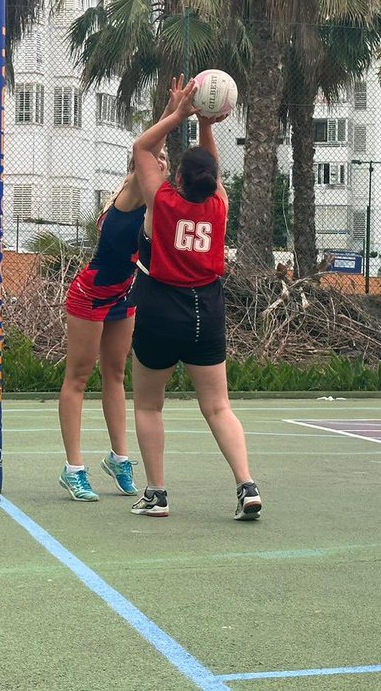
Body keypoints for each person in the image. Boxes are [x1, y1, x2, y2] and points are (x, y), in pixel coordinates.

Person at [128, 75, 261, 519]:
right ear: (211, 182)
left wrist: (179, 113)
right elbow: (211, 171)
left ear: (179, 177)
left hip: (162, 307)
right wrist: (206, 123)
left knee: (148, 403)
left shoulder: (162, 201)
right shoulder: (219, 204)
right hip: (208, 308)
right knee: (218, 406)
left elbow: (143, 150)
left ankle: (158, 493)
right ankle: (246, 485)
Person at [56, 99, 174, 501]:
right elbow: (145, 149)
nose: (163, 164)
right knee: (78, 376)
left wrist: (168, 118)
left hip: (125, 296)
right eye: (158, 159)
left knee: (116, 375)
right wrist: (171, 117)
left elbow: (149, 151)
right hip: (91, 293)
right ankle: (73, 468)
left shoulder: (156, 201)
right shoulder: (129, 192)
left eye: (166, 160)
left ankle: (119, 458)